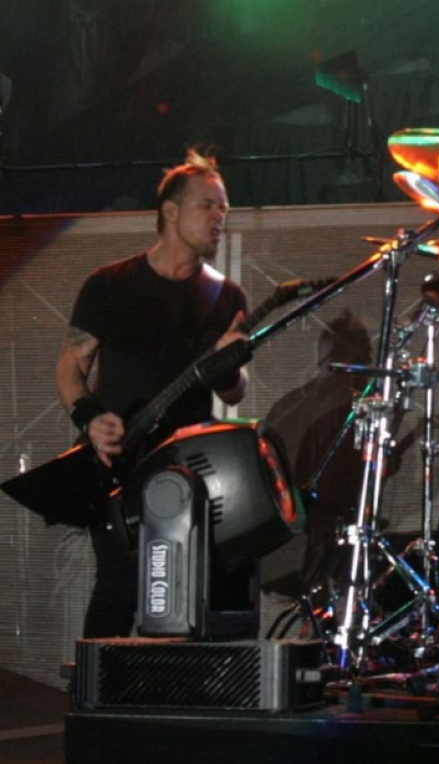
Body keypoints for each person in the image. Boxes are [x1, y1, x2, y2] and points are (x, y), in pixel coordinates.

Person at [55, 149, 250, 638]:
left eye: (224, 208)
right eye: (207, 205)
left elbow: (235, 392)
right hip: (116, 465)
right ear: (170, 211)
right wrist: (90, 419)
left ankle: (171, 684)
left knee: (184, 590)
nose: (219, 217)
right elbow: (70, 368)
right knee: (119, 586)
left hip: (185, 471)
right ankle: (98, 685)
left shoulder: (225, 296)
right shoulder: (109, 285)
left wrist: (229, 367)